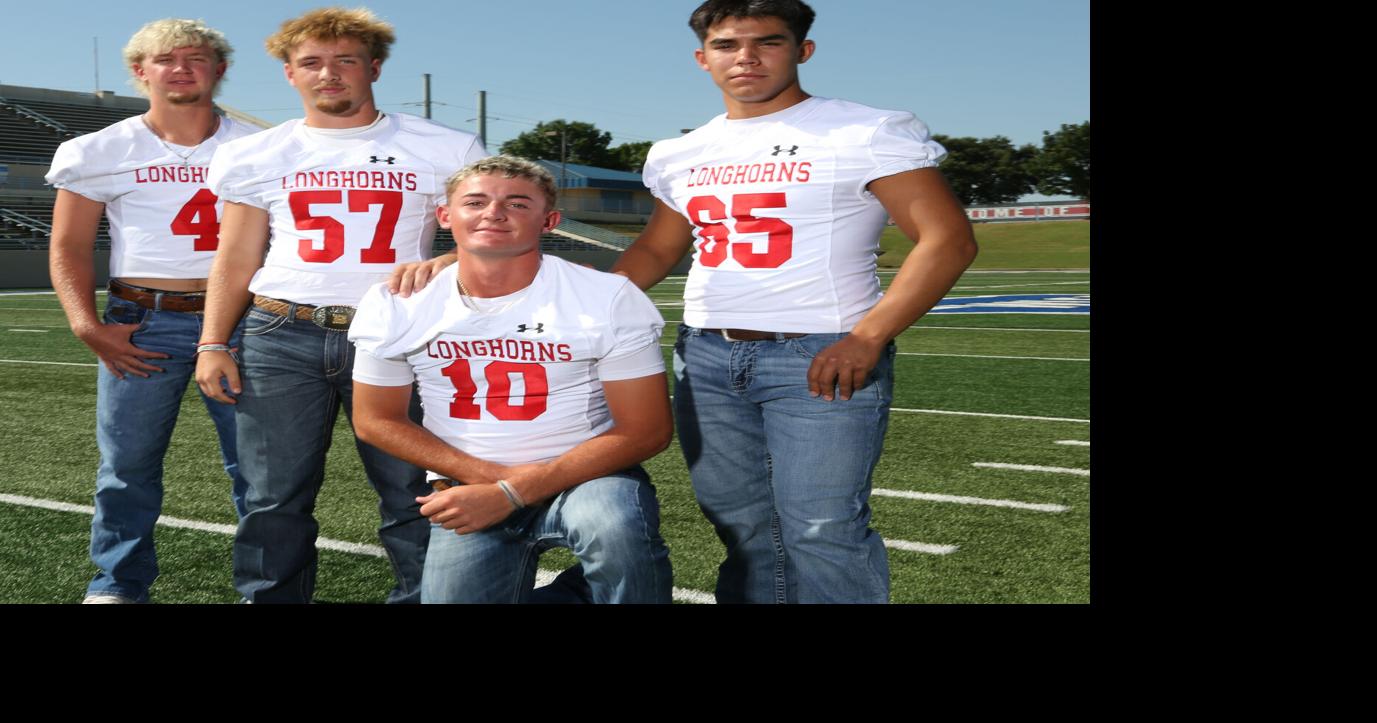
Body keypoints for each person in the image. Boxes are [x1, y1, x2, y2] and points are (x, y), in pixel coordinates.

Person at [609, 0, 979, 603]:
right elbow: (657, 250)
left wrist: (868, 335)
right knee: (742, 526)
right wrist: (574, 301)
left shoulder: (863, 130)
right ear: (702, 58)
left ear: (802, 50)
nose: (746, 57)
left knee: (823, 529)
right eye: (727, 45)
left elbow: (947, 239)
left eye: (768, 42)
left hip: (820, 352)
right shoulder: (679, 151)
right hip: (704, 355)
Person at [194, 6, 487, 603]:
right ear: (289, 74)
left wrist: (448, 261)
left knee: (414, 491)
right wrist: (213, 341)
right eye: (311, 63)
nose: (328, 73)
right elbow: (236, 255)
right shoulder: (257, 152)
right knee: (272, 497)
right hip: (281, 331)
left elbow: (489, 232)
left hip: (400, 334)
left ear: (373, 67)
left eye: (345, 60)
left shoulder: (444, 146)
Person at [349, 156, 673, 603]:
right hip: (471, 483)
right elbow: (376, 420)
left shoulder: (605, 296)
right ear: (445, 215)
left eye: (518, 204)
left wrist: (513, 491)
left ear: (550, 221)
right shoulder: (396, 301)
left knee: (613, 526)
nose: (494, 213)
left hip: (586, 476)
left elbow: (647, 430)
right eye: (475, 202)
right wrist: (497, 483)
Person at [47, 18, 256, 604]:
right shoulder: (97, 150)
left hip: (241, 320)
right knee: (127, 466)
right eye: (166, 59)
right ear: (141, 72)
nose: (181, 68)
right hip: (142, 320)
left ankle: (266, 587)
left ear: (220, 69)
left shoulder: (262, 146)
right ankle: (117, 584)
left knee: (258, 471)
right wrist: (86, 324)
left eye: (196, 57)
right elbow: (68, 245)